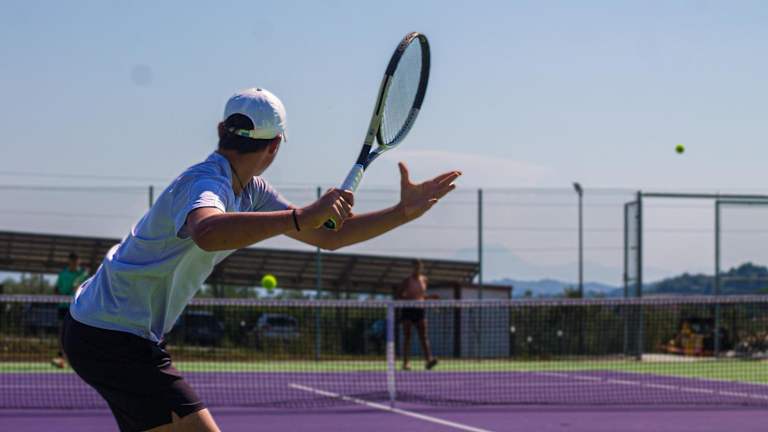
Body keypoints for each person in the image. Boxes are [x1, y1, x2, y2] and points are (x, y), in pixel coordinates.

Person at [62, 88, 461, 432]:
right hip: (111, 334)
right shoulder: (206, 181)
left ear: (221, 130)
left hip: (109, 329)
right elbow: (208, 231)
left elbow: (328, 236)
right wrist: (299, 216)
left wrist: (401, 213)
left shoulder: (253, 191)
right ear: (275, 146)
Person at [395, 259, 439, 371]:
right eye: (415, 267)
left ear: (421, 268)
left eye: (419, 267)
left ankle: (429, 360)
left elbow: (422, 296)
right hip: (408, 309)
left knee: (423, 336)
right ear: (412, 268)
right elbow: (398, 295)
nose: (417, 269)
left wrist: (431, 298)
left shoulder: (424, 279)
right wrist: (409, 300)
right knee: (407, 337)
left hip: (420, 310)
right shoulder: (407, 280)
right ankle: (406, 363)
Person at [51, 252, 89, 368]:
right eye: (72, 260)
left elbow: (87, 287)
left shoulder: (83, 274)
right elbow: (56, 288)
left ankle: (78, 357)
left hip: (77, 307)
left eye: (76, 260)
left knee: (78, 332)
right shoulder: (63, 273)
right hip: (63, 307)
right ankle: (61, 357)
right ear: (69, 261)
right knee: (62, 332)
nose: (74, 262)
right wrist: (58, 295)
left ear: (78, 261)